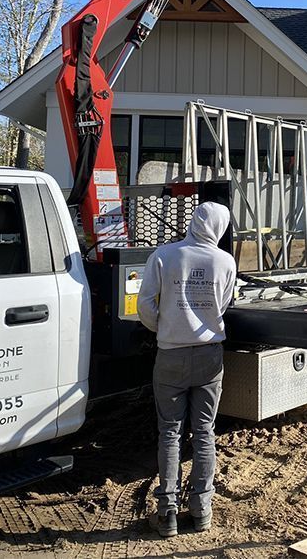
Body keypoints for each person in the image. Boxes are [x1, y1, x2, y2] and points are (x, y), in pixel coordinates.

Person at [137, 201, 236, 538]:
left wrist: (167, 327)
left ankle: (167, 513)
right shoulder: (225, 261)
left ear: (194, 221)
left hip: (170, 356)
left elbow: (145, 305)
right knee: (204, 432)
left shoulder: (164, 256)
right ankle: (202, 509)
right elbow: (223, 304)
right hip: (209, 355)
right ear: (220, 227)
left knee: (170, 431)